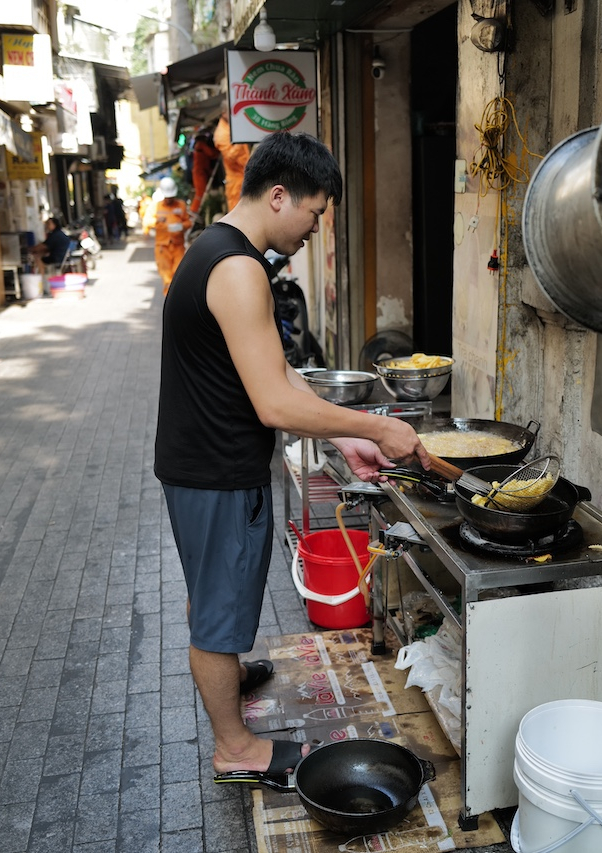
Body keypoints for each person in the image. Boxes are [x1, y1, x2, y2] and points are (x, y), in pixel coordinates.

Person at [153, 131, 429, 781]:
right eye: (314, 213)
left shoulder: (218, 251)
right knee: (218, 616)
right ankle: (236, 748)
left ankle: (229, 674)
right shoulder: (238, 268)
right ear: (279, 196)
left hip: (197, 465)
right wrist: (380, 427)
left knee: (211, 596)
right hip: (217, 471)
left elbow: (276, 371)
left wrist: (346, 436)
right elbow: (275, 403)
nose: (315, 228)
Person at [153, 177, 193, 294]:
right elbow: (148, 222)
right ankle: (169, 298)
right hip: (162, 246)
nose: (169, 199)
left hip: (178, 246)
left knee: (178, 273)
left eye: (171, 197)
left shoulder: (181, 205)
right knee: (166, 275)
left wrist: (181, 226)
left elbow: (188, 222)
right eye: (167, 197)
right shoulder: (156, 207)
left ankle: (177, 297)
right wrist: (161, 224)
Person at [213, 114, 251, 211]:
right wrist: (240, 141)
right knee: (237, 211)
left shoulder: (231, 127)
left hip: (244, 175)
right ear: (224, 113)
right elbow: (230, 157)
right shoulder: (222, 133)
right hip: (236, 179)